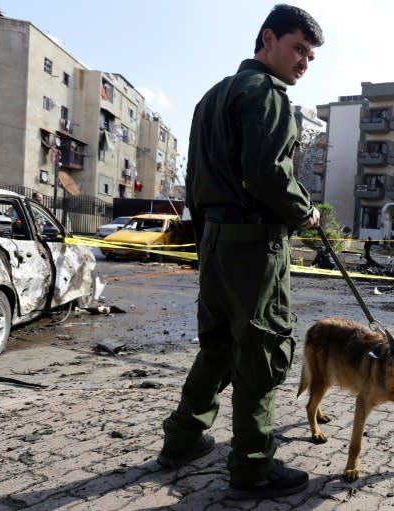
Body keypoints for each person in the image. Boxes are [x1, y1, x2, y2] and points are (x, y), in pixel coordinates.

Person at [157, 5, 324, 499]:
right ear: (267, 39)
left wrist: (207, 238)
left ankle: (183, 439)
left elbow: (195, 180)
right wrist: (305, 213)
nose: (303, 63)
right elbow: (270, 175)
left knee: (217, 347)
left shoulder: (212, 97)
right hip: (254, 247)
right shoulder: (267, 95)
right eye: (298, 49)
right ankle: (252, 466)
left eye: (311, 57)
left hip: (215, 242)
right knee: (262, 350)